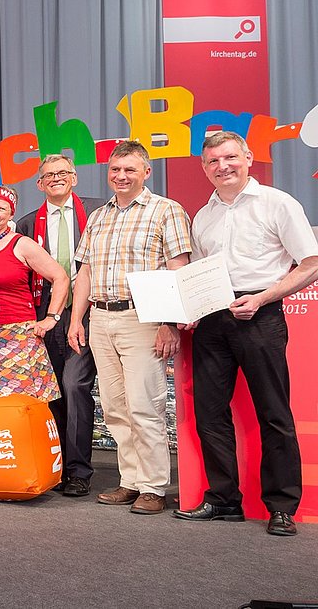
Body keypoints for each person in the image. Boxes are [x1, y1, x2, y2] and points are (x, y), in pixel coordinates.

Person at [173, 131, 318, 536]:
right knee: (209, 414)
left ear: (248, 158)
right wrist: (190, 309)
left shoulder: (278, 203)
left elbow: (311, 262)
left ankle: (282, 506)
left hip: (261, 315)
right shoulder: (204, 215)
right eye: (213, 161)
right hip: (213, 319)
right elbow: (201, 274)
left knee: (274, 412)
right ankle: (224, 500)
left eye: (230, 158)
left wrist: (263, 297)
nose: (223, 166)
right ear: (204, 168)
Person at [68, 140, 192, 516]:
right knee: (116, 407)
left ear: (146, 172)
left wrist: (169, 323)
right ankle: (130, 481)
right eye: (115, 170)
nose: (121, 176)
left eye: (129, 170)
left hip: (145, 319)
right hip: (102, 318)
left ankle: (154, 486)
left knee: (145, 405)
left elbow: (179, 269)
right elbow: (85, 271)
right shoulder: (98, 216)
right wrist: (77, 319)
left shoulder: (166, 210)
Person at [15, 155, 107, 497]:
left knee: (74, 385)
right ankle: (56, 465)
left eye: (62, 173)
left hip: (88, 313)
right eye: (48, 176)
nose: (55, 179)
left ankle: (78, 470)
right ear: (39, 184)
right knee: (51, 392)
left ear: (74, 177)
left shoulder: (99, 213)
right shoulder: (26, 225)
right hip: (47, 317)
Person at [0, 186, 66, 404]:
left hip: (16, 338)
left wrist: (51, 318)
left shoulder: (21, 244)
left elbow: (60, 277)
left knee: (21, 406)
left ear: (11, 215)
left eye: (2, 208)